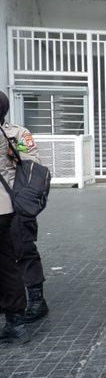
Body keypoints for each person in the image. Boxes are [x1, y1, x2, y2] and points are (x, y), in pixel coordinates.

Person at [1, 114, 50, 324]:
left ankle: (36, 299)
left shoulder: (17, 133)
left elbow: (34, 162)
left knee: (24, 249)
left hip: (17, 200)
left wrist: (15, 152)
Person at [0, 92, 31, 343]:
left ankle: (21, 314)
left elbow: (30, 162)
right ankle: (15, 318)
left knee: (20, 254)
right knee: (9, 262)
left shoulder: (16, 133)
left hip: (13, 203)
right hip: (7, 205)